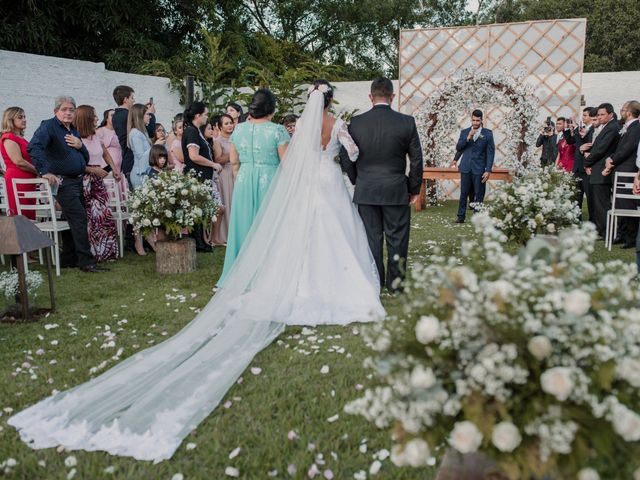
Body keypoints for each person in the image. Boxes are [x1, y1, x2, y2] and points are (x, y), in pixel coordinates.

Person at [8, 82, 384, 463]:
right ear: (330, 102)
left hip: (253, 180)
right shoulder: (325, 125)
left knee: (265, 236)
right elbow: (340, 154)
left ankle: (253, 272)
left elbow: (240, 160)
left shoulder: (286, 126)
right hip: (313, 183)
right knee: (326, 236)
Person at [341, 77, 423, 292]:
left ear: (371, 97)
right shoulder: (407, 122)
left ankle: (374, 281)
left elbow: (345, 156)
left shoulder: (356, 123)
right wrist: (414, 188)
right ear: (392, 97)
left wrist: (357, 179)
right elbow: (416, 160)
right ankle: (396, 285)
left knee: (371, 239)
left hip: (366, 188)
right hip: (396, 189)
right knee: (397, 238)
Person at [217, 89, 289, 285]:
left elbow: (234, 162)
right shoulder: (278, 130)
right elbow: (287, 163)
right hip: (270, 180)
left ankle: (239, 272)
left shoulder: (239, 129)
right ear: (271, 108)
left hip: (244, 179)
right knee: (269, 224)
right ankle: (267, 272)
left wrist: (240, 176)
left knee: (243, 225)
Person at [27, 96, 105, 273]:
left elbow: (85, 157)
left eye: (71, 109)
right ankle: (87, 262)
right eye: (64, 109)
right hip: (63, 181)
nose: (68, 113)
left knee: (72, 219)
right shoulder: (48, 126)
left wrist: (79, 145)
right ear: (56, 111)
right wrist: (44, 171)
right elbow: (34, 147)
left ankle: (69, 259)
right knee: (79, 218)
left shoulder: (74, 130)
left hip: (77, 180)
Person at [76, 105, 120, 262]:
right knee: (92, 217)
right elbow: (76, 164)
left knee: (104, 215)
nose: (96, 118)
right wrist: (93, 170)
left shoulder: (96, 135)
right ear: (86, 118)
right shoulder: (77, 139)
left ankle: (107, 252)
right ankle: (93, 253)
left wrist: (114, 169)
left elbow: (105, 153)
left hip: (98, 180)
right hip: (85, 180)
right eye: (93, 116)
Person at [181, 101, 222, 252]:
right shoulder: (191, 131)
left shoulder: (196, 131)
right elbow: (194, 156)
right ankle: (197, 242)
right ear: (197, 115)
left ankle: (202, 241)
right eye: (205, 114)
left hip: (202, 176)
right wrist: (213, 164)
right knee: (197, 210)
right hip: (196, 176)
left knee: (201, 209)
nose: (206, 117)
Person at [602, 100, 640, 248]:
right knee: (619, 203)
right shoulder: (627, 127)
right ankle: (622, 234)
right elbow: (620, 148)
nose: (621, 112)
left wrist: (612, 159)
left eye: (623, 110)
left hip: (627, 170)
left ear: (629, 113)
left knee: (627, 205)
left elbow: (628, 148)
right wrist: (611, 158)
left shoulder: (636, 127)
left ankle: (631, 237)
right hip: (620, 168)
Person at [584, 103, 620, 237]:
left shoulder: (612, 127)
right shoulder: (604, 127)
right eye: (598, 114)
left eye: (602, 114)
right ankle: (601, 229)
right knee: (597, 202)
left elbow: (601, 149)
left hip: (602, 169)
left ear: (610, 114)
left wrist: (587, 162)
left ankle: (607, 232)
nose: (599, 117)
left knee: (602, 203)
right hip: (597, 168)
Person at [454, 109, 495, 224]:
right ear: (471, 119)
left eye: (477, 120)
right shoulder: (464, 132)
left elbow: (491, 152)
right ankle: (460, 217)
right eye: (473, 120)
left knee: (479, 194)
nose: (475, 122)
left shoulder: (488, 133)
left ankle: (477, 218)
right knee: (463, 193)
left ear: (481, 120)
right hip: (466, 167)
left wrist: (488, 170)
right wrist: (468, 137)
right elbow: (459, 148)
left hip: (480, 168)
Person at [1, 107, 37, 219]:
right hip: (17, 180)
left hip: (28, 181)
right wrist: (38, 171)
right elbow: (19, 161)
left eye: (25, 117)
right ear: (11, 119)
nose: (24, 120)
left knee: (29, 218)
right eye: (20, 117)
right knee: (19, 218)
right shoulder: (9, 137)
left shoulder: (21, 138)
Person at [566, 107, 596, 220]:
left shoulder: (593, 130)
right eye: (582, 115)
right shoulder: (580, 128)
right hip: (577, 167)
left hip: (587, 167)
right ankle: (576, 219)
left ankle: (592, 220)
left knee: (589, 197)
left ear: (591, 117)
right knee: (576, 196)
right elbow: (570, 141)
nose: (582, 117)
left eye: (585, 115)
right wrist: (568, 129)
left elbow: (588, 145)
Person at [213, 113, 235, 244]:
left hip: (237, 171)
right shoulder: (218, 141)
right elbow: (218, 159)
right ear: (220, 127)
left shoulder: (236, 138)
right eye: (226, 123)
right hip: (225, 173)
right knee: (228, 201)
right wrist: (232, 154)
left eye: (231, 122)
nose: (230, 125)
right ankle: (224, 234)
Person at [96, 109, 126, 198]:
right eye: (112, 115)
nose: (114, 117)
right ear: (106, 118)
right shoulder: (100, 131)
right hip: (107, 167)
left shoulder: (120, 131)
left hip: (120, 167)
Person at [127, 103, 154, 189]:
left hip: (146, 172)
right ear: (140, 116)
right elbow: (141, 157)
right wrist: (155, 147)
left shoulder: (143, 132)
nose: (150, 117)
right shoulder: (135, 133)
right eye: (148, 114)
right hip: (139, 175)